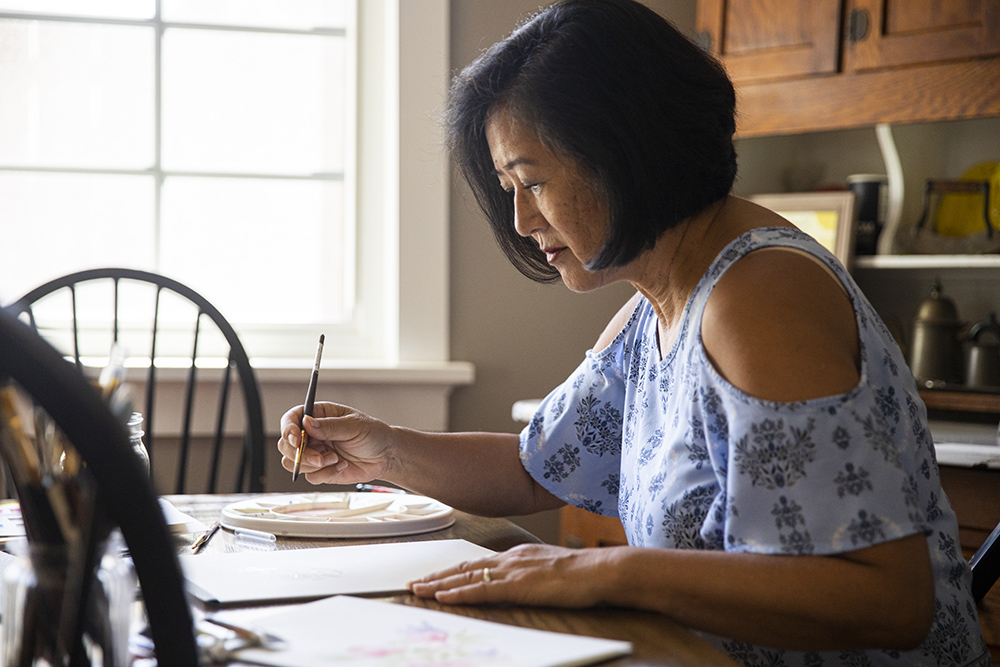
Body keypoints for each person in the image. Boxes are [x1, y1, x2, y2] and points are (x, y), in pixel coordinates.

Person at [276, 1, 989, 664]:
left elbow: (887, 601)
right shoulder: (658, 308)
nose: (522, 220)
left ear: (624, 148)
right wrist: (384, 450)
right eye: (508, 189)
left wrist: (606, 568)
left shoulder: (759, 298)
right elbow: (534, 467)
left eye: (534, 181)